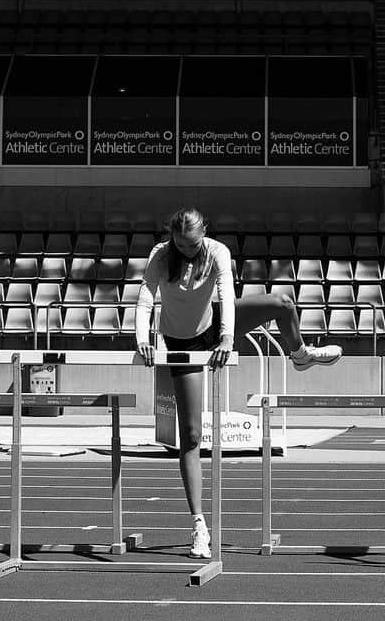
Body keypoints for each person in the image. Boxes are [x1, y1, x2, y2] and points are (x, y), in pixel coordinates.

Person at [134, 207, 342, 559]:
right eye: (181, 245)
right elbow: (144, 297)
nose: (187, 251)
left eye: (192, 244)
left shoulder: (216, 251)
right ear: (172, 237)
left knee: (283, 302)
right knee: (192, 435)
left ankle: (301, 354)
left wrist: (227, 339)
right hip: (182, 342)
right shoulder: (160, 255)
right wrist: (142, 337)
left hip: (214, 324)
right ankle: (199, 524)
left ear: (204, 235)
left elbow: (226, 295)